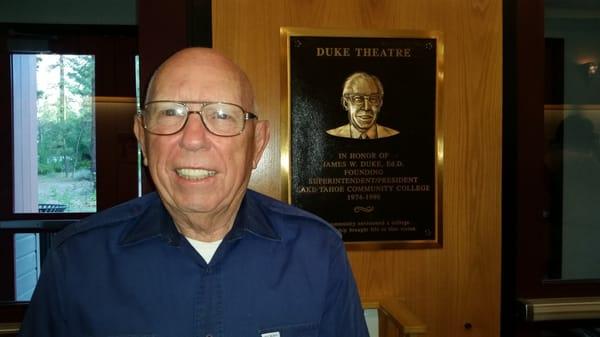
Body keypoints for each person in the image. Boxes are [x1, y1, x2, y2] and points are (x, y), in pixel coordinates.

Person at [19, 48, 369, 336]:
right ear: (143, 137)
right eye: (170, 112)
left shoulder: (319, 253)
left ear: (257, 144)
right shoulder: (77, 263)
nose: (193, 138)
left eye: (221, 115)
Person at [326, 72, 399, 139]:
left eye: (373, 99)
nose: (366, 107)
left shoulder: (392, 135)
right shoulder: (333, 135)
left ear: (380, 104)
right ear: (345, 103)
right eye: (358, 99)